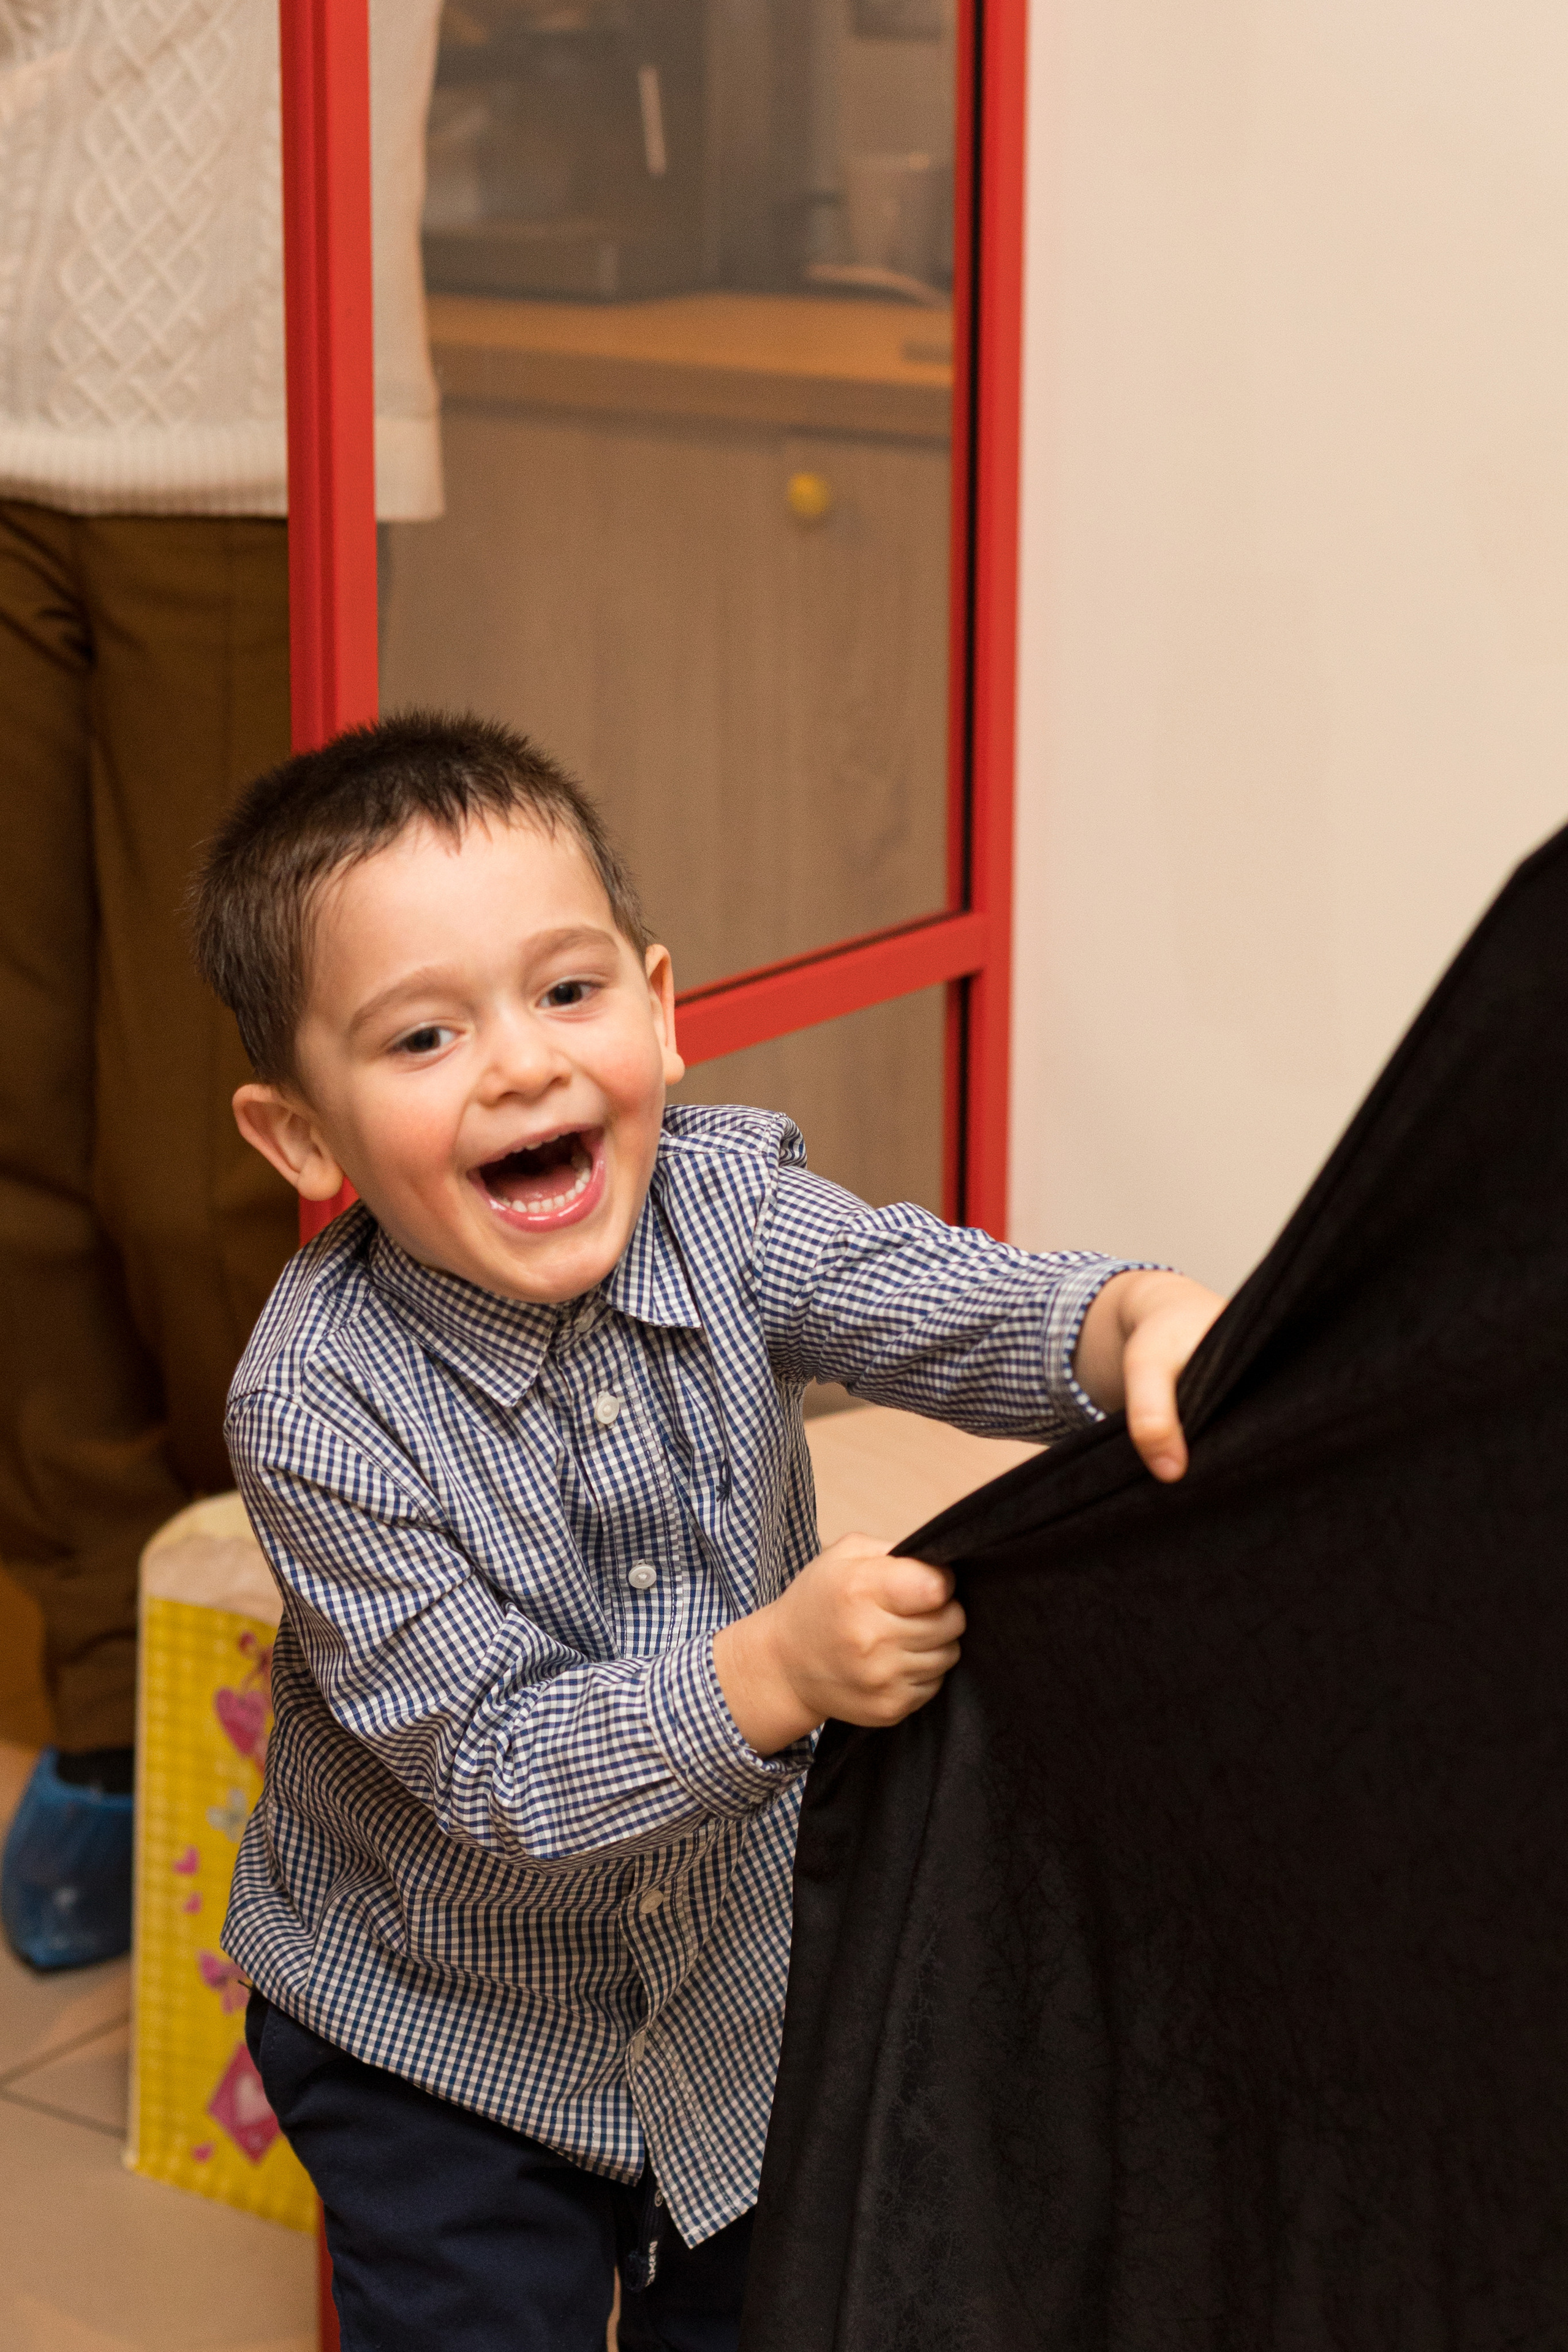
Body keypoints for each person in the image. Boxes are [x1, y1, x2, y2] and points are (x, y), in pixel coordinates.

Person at [191, 711, 1225, 2352]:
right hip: (436, 2038)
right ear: (301, 1138)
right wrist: (773, 1672)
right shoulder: (317, 1408)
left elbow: (935, 1301)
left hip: (745, 1995)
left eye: (567, 992)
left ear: (662, 1015)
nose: (525, 1063)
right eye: (421, 1041)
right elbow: (500, 1763)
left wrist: (1124, 1321)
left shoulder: (732, 1207)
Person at [0, 0, 443, 1971]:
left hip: (253, 427)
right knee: (13, 1131)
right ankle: (111, 1687)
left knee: (217, 1168)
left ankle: (304, 1684)